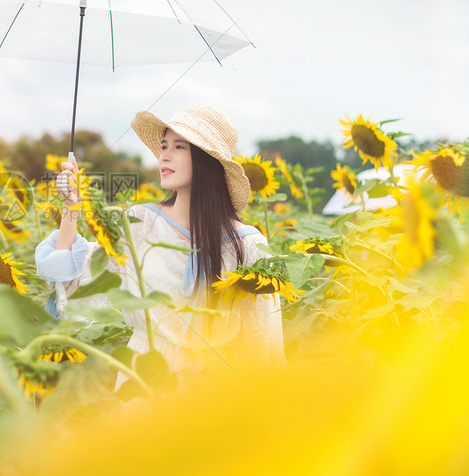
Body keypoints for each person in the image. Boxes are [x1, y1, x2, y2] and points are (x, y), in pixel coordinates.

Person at [35, 104, 284, 380]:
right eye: (164, 146)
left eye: (179, 147)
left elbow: (263, 342)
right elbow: (78, 280)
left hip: (213, 394)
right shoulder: (140, 223)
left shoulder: (248, 245)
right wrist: (71, 207)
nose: (164, 156)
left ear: (206, 160)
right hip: (141, 386)